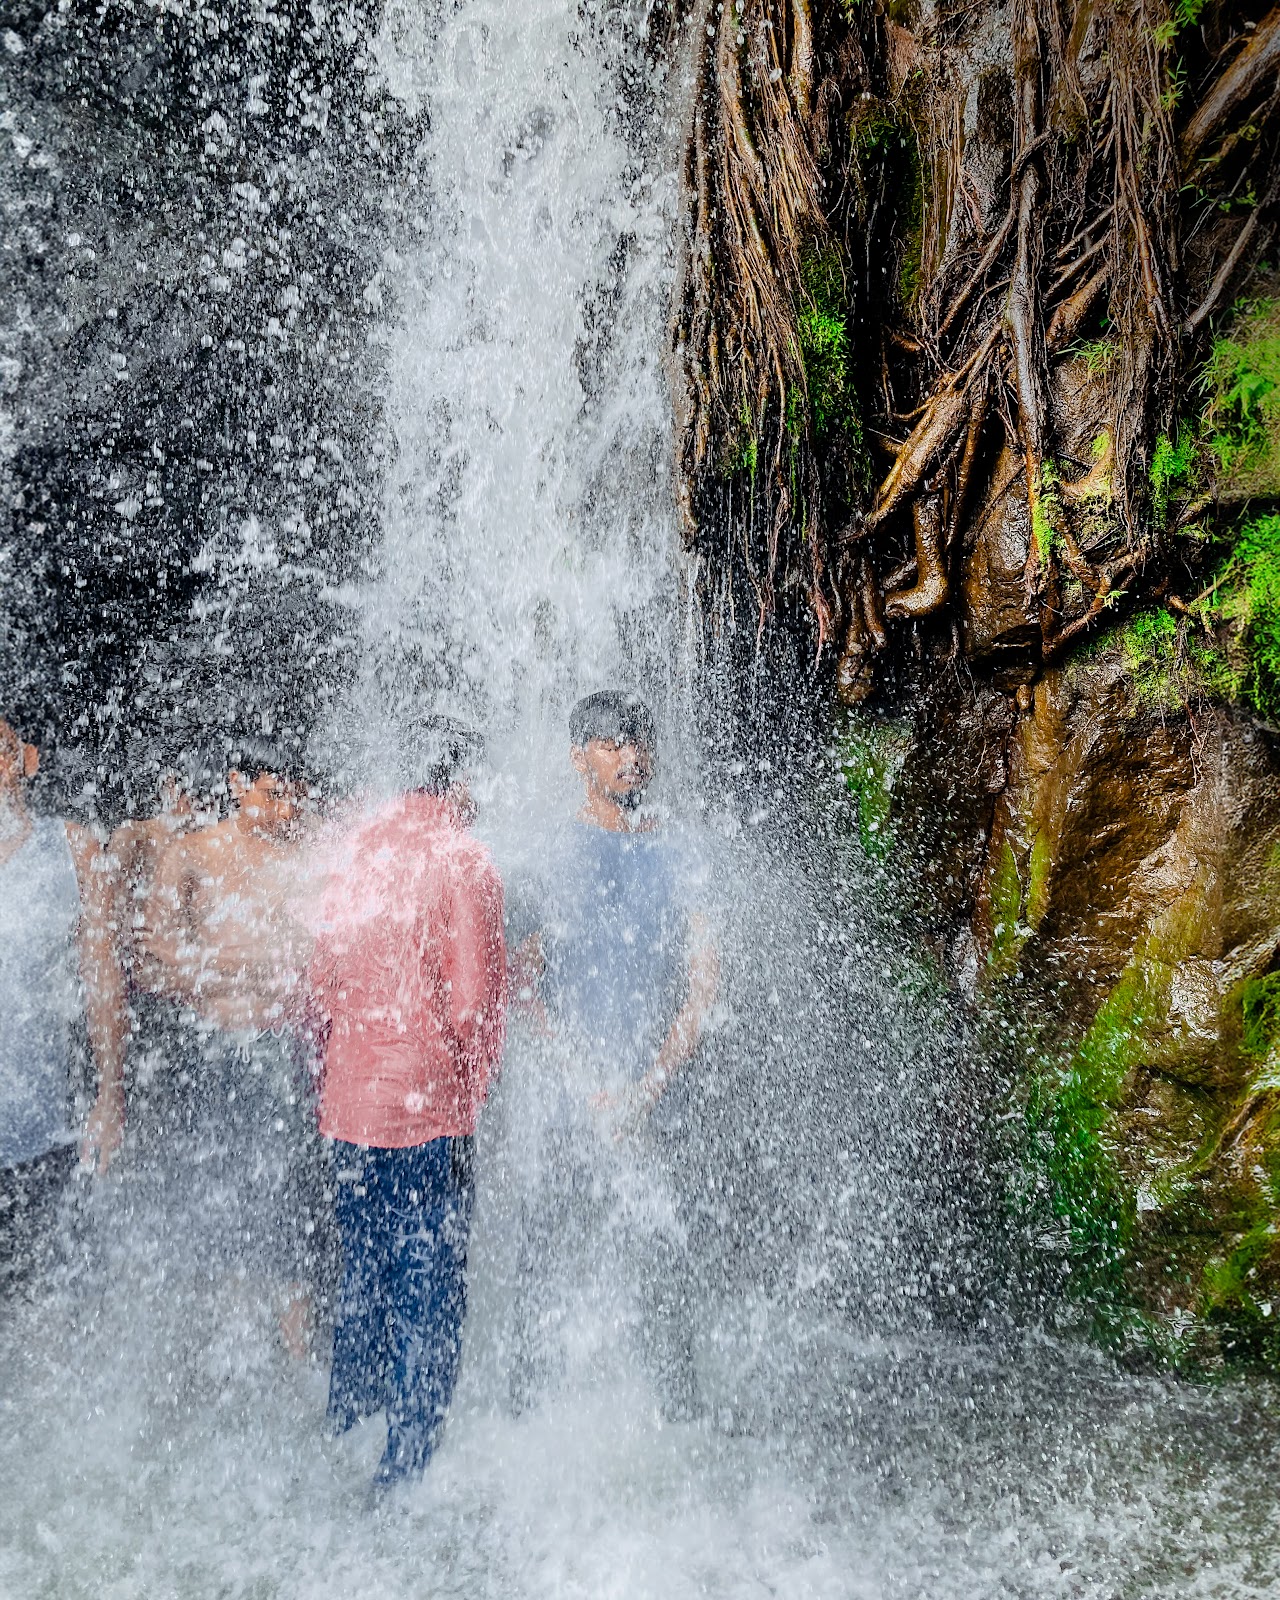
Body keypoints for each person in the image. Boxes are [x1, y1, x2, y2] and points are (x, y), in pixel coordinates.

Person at [308, 717, 506, 1489]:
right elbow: (474, 1005)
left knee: (362, 1277)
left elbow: (320, 984)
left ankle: (344, 1440)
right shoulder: (464, 857)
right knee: (428, 1288)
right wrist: (473, 1096)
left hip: (348, 1108)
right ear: (460, 778)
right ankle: (407, 1472)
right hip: (428, 1113)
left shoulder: (354, 850)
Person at [511, 690, 719, 1418]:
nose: (631, 757)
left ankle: (678, 1425)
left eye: (639, 743)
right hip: (574, 1104)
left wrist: (649, 1086)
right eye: (611, 745)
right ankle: (526, 1423)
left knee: (665, 1263)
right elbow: (521, 984)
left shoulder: (682, 847)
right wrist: (585, 1083)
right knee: (545, 1259)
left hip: (659, 1102)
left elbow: (705, 983)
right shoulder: (550, 852)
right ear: (580, 759)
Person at [138, 738, 325, 1351]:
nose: (286, 810)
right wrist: (240, 968)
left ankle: (295, 1353)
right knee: (219, 1205)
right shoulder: (193, 854)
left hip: (286, 1050)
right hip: (212, 1051)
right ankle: (224, 1354)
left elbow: (321, 951)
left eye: (293, 797)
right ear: (237, 785)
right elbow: (152, 957)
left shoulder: (303, 851)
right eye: (273, 795)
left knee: (295, 1209)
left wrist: (268, 966)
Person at [0, 715, 127, 1292]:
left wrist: (110, 1094)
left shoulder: (73, 848)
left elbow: (103, 978)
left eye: (2, 752)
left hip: (46, 1129)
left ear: (25, 761)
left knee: (49, 1301)